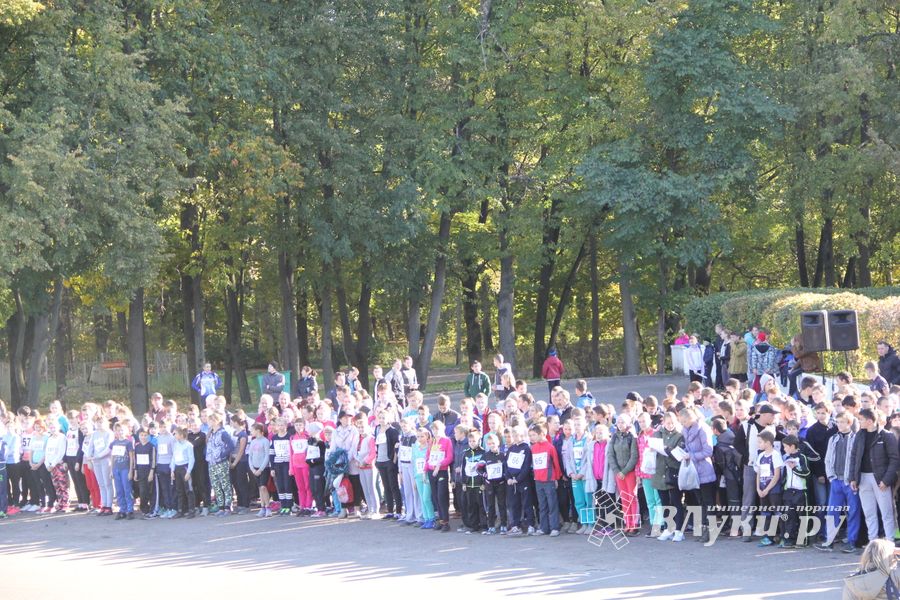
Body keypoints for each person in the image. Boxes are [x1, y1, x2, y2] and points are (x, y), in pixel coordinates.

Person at [849, 408, 900, 544]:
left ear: (870, 421)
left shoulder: (886, 435)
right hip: (863, 479)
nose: (859, 421)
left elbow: (894, 459)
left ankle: (889, 543)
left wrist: (886, 480)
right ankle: (872, 543)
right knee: (869, 513)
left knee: (887, 513)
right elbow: (853, 457)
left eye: (861, 419)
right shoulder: (859, 435)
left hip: (881, 480)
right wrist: (852, 478)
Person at [529, 422, 561, 537]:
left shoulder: (550, 447)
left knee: (552, 504)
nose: (531, 438)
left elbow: (556, 464)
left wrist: (556, 478)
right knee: (542, 505)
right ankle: (544, 527)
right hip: (538, 481)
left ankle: (555, 527)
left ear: (542, 434)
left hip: (549, 481)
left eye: (533, 435)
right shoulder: (533, 448)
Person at [780, 434, 810, 548]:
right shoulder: (786, 457)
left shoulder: (802, 457)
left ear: (792, 446)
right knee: (789, 516)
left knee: (802, 515)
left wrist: (794, 468)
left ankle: (803, 539)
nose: (784, 449)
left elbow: (806, 473)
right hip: (789, 491)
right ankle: (790, 539)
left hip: (800, 491)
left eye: (786, 447)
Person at [504, 425, 534, 537]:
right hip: (512, 483)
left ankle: (531, 524)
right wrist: (508, 478)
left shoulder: (526, 449)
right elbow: (506, 465)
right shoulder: (511, 449)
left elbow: (526, 466)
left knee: (527, 503)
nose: (515, 437)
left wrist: (518, 478)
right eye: (514, 435)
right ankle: (515, 525)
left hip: (523, 481)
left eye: (517, 435)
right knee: (514, 504)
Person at [373, 410, 401, 520]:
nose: (382, 420)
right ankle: (390, 510)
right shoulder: (377, 429)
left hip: (389, 461)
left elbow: (396, 446)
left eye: (384, 417)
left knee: (394, 486)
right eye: (380, 417)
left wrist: (394, 460)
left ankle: (398, 510)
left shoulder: (392, 431)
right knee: (386, 487)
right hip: (380, 461)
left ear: (388, 418)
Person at [205, 412, 235, 516]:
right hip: (212, 463)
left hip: (221, 463)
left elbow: (231, 445)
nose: (208, 422)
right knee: (216, 485)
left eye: (210, 420)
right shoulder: (211, 433)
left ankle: (227, 506)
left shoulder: (223, 433)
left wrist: (223, 454)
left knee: (225, 484)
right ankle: (221, 506)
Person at [480, 432, 507, 535]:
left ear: (498, 443)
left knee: (502, 504)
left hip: (500, 483)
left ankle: (503, 525)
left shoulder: (502, 455)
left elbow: (506, 469)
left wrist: (503, 475)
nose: (492, 445)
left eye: (493, 443)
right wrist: (484, 475)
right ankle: (491, 525)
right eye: (489, 443)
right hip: (489, 484)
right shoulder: (485, 456)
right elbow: (478, 468)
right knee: (490, 505)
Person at [109, 422, 134, 520]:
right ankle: (122, 509)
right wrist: (111, 470)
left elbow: (132, 457)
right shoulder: (114, 443)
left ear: (126, 431)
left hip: (125, 469)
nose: (120, 432)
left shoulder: (128, 443)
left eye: (122, 430)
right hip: (116, 469)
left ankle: (130, 509)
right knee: (119, 490)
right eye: (118, 430)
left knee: (127, 489)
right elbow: (112, 457)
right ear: (115, 432)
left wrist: (130, 471)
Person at [171, 427, 196, 518]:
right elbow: (173, 458)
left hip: (185, 468)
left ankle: (191, 510)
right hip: (177, 468)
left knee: (188, 490)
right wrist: (172, 470)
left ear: (181, 435)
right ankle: (180, 510)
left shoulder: (188, 445)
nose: (174, 435)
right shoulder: (176, 445)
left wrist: (188, 472)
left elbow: (191, 459)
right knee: (179, 490)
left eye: (176, 434)